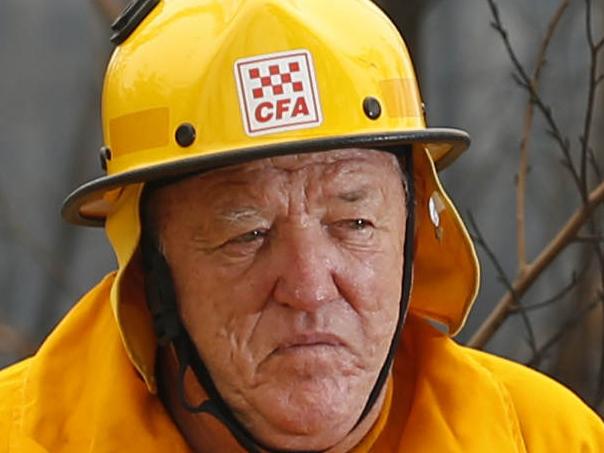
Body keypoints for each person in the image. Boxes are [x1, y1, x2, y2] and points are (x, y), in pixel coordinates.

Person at [1, 0, 602, 451]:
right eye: (248, 233)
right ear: (151, 273)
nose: (310, 287)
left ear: (414, 236)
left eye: (355, 222)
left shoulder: (545, 437)